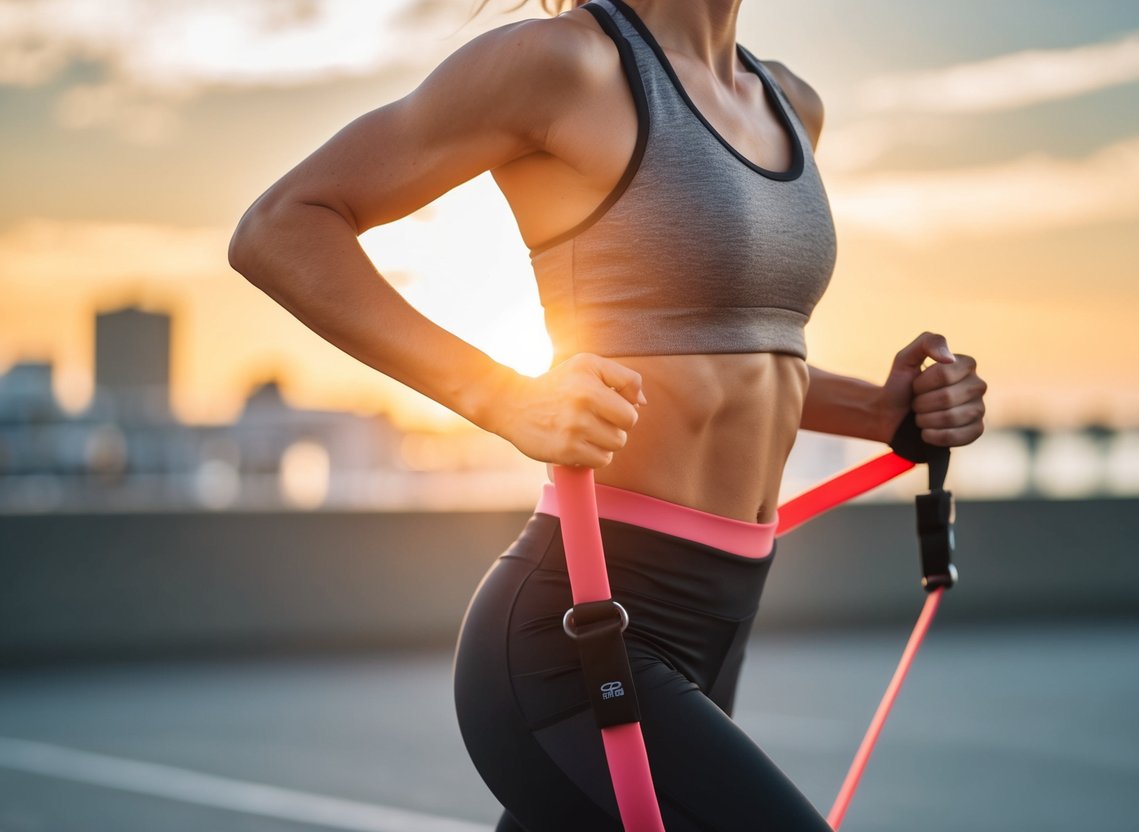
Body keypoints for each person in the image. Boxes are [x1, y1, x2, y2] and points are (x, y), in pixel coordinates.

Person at [229, 0, 988, 828]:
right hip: (582, 631)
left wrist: (883, 414)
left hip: (718, 620)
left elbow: (725, 361)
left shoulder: (788, 102)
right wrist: (498, 394)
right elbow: (280, 226)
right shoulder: (561, 65)